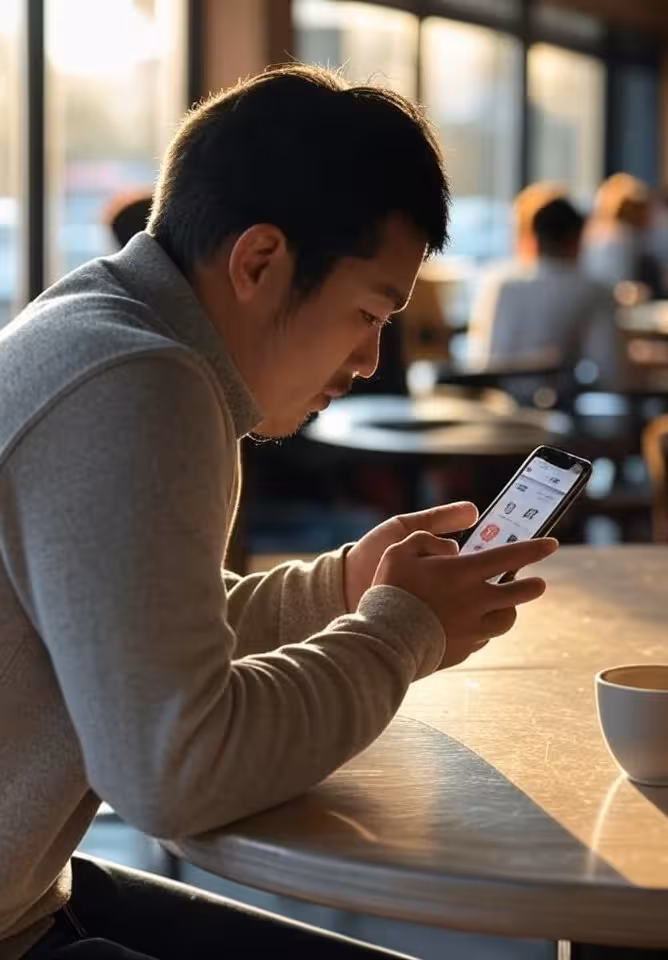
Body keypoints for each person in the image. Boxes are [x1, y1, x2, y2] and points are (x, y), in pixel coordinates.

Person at [0, 65, 557, 960]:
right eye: (369, 312)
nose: (373, 358)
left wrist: (343, 587)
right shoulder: (140, 385)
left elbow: (139, 631)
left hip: (30, 898)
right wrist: (400, 631)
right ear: (261, 261)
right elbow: (175, 771)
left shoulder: (96, 326)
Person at [468, 192, 622, 390]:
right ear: (576, 240)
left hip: (497, 407)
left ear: (533, 238)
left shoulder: (497, 283)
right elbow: (609, 370)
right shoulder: (592, 290)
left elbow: (482, 358)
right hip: (554, 411)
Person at [581, 172, 661, 295]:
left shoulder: (594, 230)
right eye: (646, 210)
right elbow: (613, 284)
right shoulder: (620, 237)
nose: (651, 216)